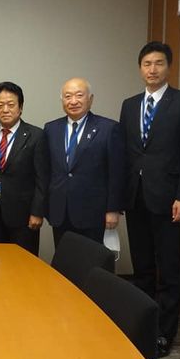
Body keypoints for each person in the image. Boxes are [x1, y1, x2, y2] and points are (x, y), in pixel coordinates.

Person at [119, 41, 180, 357]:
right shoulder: (129, 105)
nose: (152, 69)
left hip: (169, 199)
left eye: (158, 63)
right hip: (136, 198)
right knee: (141, 267)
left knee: (168, 267)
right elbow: (127, 153)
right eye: (146, 64)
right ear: (140, 68)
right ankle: (142, 326)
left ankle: (164, 334)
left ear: (168, 67)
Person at [44, 77, 125, 246]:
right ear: (62, 101)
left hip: (93, 212)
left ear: (91, 99)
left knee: (92, 265)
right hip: (60, 211)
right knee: (64, 264)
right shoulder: (51, 129)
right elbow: (47, 170)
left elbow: (116, 173)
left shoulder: (108, 129)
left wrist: (113, 209)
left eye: (79, 95)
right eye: (67, 96)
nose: (73, 101)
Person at [0, 82, 49, 255]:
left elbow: (42, 178)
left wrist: (37, 212)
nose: (5, 110)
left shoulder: (36, 136)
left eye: (11, 104)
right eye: (0, 105)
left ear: (20, 107)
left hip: (23, 216)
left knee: (23, 265)